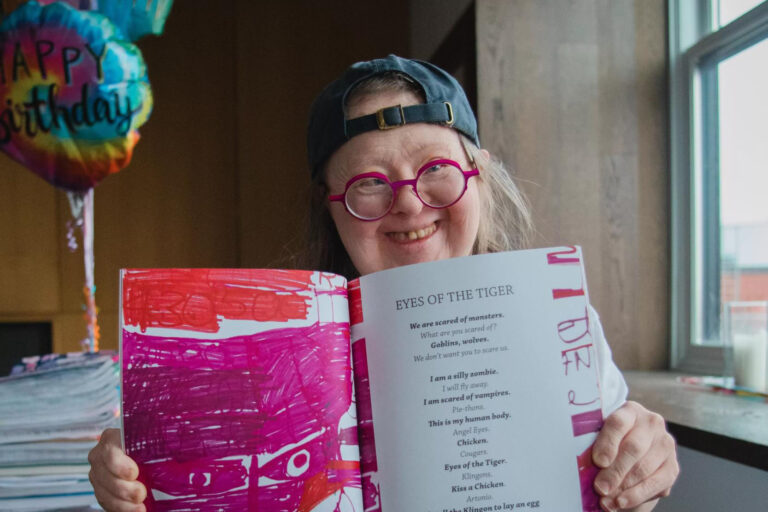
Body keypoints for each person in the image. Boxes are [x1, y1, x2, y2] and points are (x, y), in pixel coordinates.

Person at [88, 55, 678, 512]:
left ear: (479, 177)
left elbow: (611, 485)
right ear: (330, 208)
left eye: (436, 169)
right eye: (369, 183)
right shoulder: (284, 346)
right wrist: (135, 478)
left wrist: (639, 474)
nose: (410, 203)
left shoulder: (560, 323)